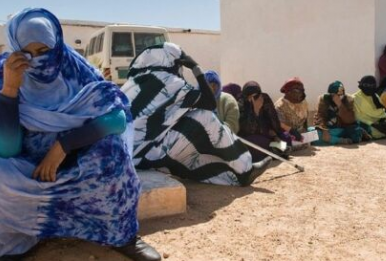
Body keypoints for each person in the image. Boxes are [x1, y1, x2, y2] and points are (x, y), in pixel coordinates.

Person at [0, 8, 160, 261]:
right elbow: (1, 147)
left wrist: (63, 146)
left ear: (57, 44)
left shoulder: (77, 70)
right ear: (15, 50)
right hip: (24, 164)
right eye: (27, 53)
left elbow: (116, 119)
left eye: (44, 50)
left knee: (112, 154)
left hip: (75, 157)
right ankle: (8, 248)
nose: (38, 60)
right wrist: (11, 90)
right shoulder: (5, 75)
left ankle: (121, 235)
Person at [121, 43, 270, 185]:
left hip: (129, 156)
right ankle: (245, 170)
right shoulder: (169, 81)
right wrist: (195, 68)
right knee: (204, 117)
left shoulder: (131, 84)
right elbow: (209, 104)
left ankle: (233, 177)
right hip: (146, 154)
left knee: (190, 150)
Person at [237, 81, 292, 160]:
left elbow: (272, 120)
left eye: (255, 96)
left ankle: (276, 149)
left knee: (285, 137)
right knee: (256, 143)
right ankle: (275, 151)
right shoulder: (241, 103)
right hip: (251, 137)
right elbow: (247, 130)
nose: (252, 99)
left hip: (267, 134)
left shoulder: (264, 98)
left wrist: (275, 136)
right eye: (249, 96)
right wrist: (256, 110)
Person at [274, 77, 310, 145]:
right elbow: (279, 126)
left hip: (300, 132)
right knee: (285, 142)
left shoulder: (303, 102)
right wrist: (292, 131)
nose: (301, 93)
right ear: (288, 92)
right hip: (287, 133)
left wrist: (306, 131)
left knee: (314, 132)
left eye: (302, 90)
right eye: (297, 91)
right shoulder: (280, 106)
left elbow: (305, 121)